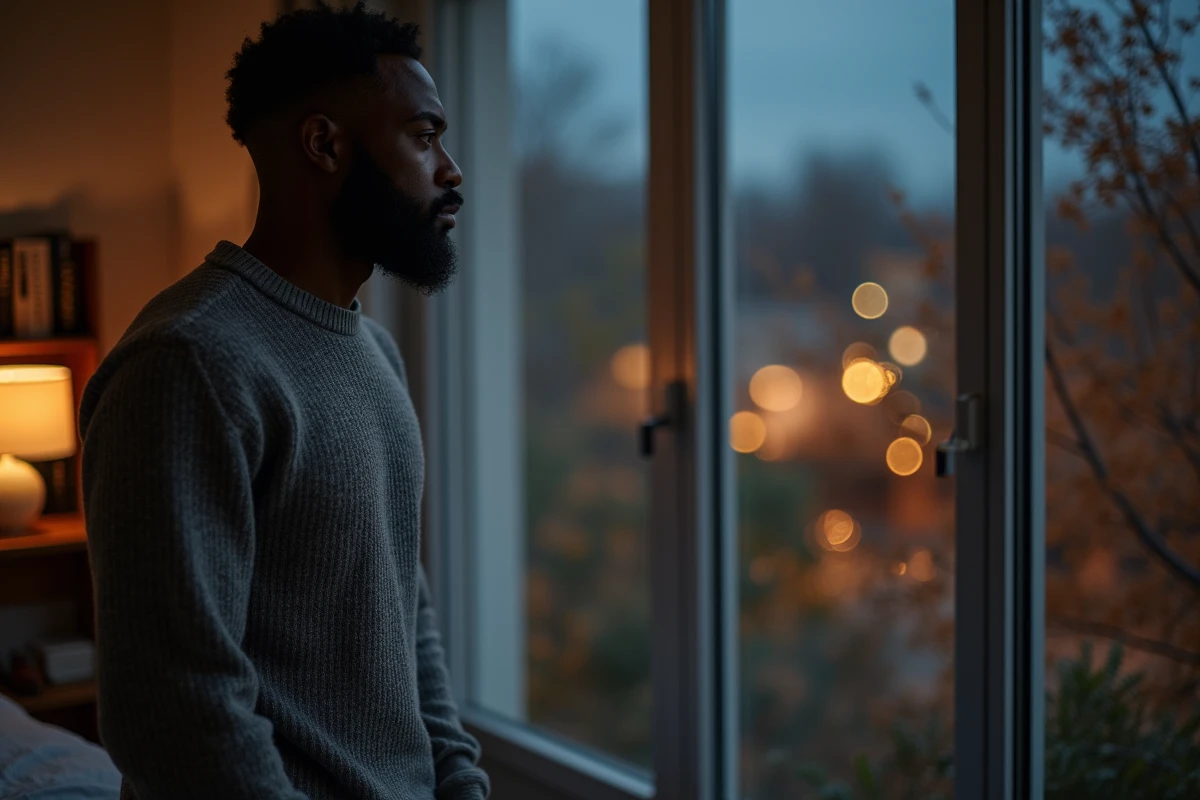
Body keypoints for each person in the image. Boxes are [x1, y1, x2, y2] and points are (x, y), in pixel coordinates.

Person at [78, 4, 484, 798]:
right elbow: (176, 704)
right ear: (325, 144)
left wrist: (458, 781)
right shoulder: (189, 361)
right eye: (424, 136)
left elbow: (406, 617)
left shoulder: (374, 352)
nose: (451, 170)